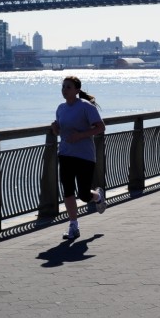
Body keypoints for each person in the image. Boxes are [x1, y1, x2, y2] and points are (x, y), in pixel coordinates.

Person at [50, 75, 107, 240]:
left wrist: (81, 135)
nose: (65, 90)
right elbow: (62, 131)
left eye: (68, 87)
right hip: (65, 153)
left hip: (84, 155)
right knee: (67, 190)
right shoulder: (61, 108)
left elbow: (100, 127)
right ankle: (73, 226)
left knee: (83, 194)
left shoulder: (86, 107)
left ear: (76, 90)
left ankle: (97, 196)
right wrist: (55, 129)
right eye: (63, 87)